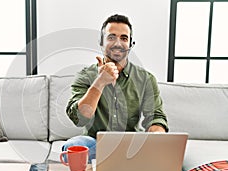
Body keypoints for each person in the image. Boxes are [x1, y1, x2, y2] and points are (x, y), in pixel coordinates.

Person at [63, 14, 168, 161]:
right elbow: (80, 118)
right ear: (101, 42)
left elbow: (155, 117)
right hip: (95, 143)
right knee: (72, 149)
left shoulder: (146, 79)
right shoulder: (85, 75)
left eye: (124, 38)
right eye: (111, 37)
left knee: (163, 153)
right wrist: (100, 82)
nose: (118, 43)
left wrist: (157, 138)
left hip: (131, 144)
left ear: (131, 44)